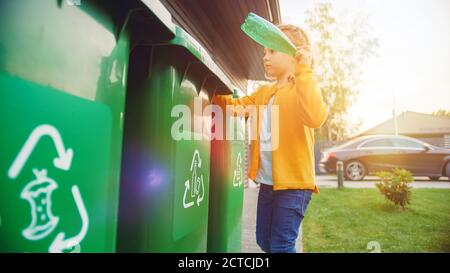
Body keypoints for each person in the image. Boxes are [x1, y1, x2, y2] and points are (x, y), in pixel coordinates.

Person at [212, 24, 328, 253]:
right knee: (264, 241)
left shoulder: (302, 87)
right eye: (264, 52)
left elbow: (316, 117)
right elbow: (237, 107)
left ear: (296, 53)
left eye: (272, 51)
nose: (265, 57)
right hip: (268, 184)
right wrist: (212, 88)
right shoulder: (264, 93)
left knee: (282, 246)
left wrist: (304, 70)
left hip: (295, 186)